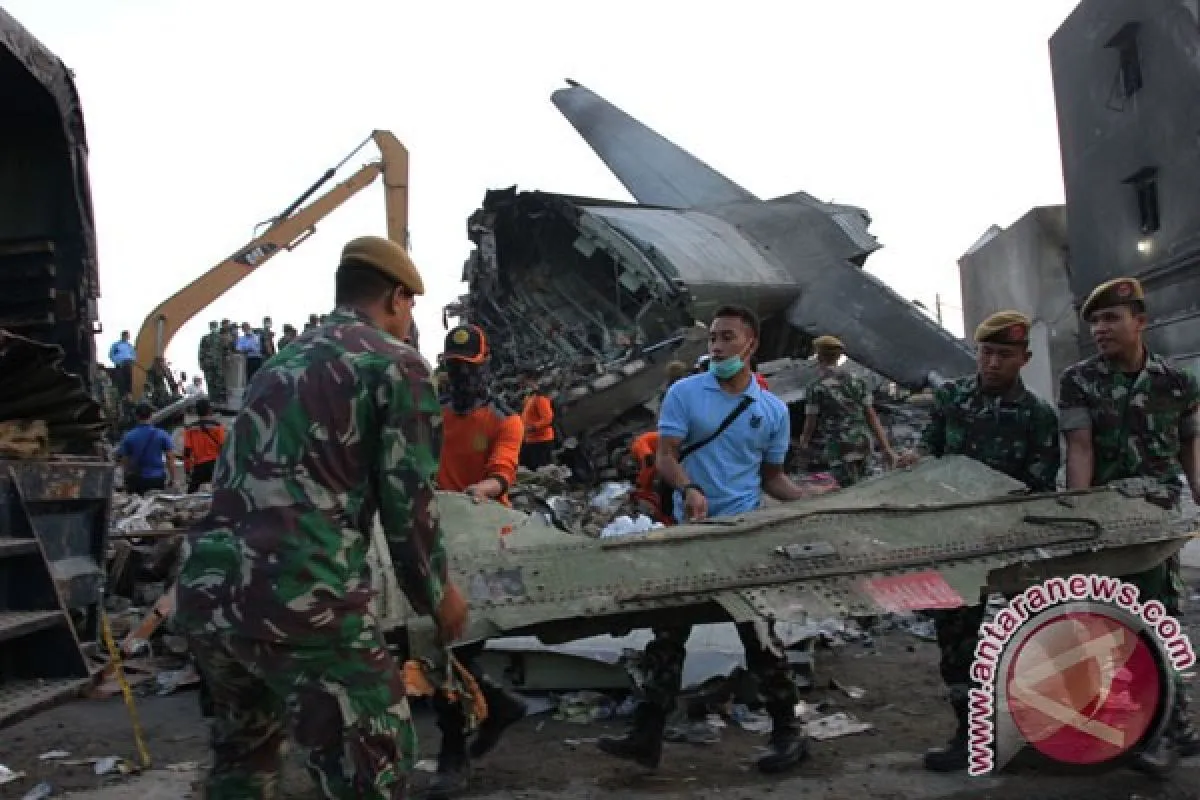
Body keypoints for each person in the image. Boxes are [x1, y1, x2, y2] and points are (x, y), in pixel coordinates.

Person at [173, 235, 469, 799]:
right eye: (411, 307)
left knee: (245, 759)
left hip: (210, 594)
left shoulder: (277, 364)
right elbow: (409, 504)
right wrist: (437, 595)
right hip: (304, 594)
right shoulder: (396, 365)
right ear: (398, 298)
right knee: (373, 764)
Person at [597, 305, 817, 775]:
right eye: (714, 337)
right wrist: (689, 488)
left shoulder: (772, 410)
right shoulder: (685, 393)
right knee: (668, 633)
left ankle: (788, 732)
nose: (716, 346)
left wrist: (809, 501)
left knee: (758, 636)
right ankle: (646, 736)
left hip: (741, 536)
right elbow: (666, 457)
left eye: (727, 337)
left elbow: (772, 477)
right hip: (690, 534)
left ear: (751, 344)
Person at [902, 311, 1060, 772]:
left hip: (1011, 542)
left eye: (1004, 355)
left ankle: (1042, 729)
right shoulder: (952, 399)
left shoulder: (1037, 416)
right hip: (954, 542)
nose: (993, 362)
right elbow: (930, 452)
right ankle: (970, 736)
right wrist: (915, 462)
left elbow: (1039, 484)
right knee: (956, 645)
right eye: (987, 352)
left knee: (1034, 634)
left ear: (1024, 358)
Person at [1058, 277, 1200, 774]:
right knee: (1111, 622)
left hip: (1157, 520)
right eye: (1095, 321)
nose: (1100, 328)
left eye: (1111, 318)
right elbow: (1080, 449)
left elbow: (1189, 444)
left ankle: (1169, 728)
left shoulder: (1177, 382)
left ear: (1140, 321)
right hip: (1107, 520)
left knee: (1156, 617)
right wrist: (1079, 519)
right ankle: (1148, 726)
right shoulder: (1079, 380)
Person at [425, 324, 528, 797]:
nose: (461, 376)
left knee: (451, 646)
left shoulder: (505, 419)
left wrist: (476, 494)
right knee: (445, 647)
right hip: (438, 537)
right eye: (453, 367)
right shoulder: (434, 416)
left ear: (485, 367)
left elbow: (503, 473)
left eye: (468, 367)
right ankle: (498, 708)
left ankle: (455, 753)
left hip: (486, 539)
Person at [797, 335, 897, 486]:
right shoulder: (858, 382)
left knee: (848, 488)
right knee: (867, 486)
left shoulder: (816, 387)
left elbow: (811, 421)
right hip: (863, 443)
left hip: (840, 447)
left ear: (819, 357)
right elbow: (871, 415)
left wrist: (804, 443)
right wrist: (886, 448)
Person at [117, 401, 177, 494]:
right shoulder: (162, 434)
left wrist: (126, 479)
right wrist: (173, 479)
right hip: (156, 479)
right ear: (151, 415)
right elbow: (170, 458)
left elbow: (125, 461)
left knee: (136, 503)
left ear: (136, 416)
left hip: (136, 480)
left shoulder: (128, 436)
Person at [182, 398, 225, 493]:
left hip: (199, 466)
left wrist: (187, 469)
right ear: (209, 410)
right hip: (214, 465)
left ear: (196, 411)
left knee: (190, 494)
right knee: (220, 493)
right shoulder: (218, 427)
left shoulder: (190, 429)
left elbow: (187, 451)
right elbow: (223, 448)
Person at [519, 372, 555, 470]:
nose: (522, 385)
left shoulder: (540, 398)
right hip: (531, 440)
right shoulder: (529, 399)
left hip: (542, 441)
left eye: (524, 382)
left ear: (532, 381)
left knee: (543, 470)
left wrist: (532, 427)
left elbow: (548, 418)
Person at [198, 321, 224, 403]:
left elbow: (225, 350)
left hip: (219, 363)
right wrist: (201, 363)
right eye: (212, 326)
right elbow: (201, 352)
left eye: (214, 326)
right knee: (210, 382)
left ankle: (220, 399)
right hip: (208, 363)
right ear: (210, 327)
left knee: (219, 382)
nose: (213, 327)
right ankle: (212, 400)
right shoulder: (205, 338)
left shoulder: (221, 338)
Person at [109, 330, 135, 398]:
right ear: (122, 336)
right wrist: (117, 362)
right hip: (120, 364)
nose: (127, 337)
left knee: (129, 379)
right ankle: (122, 395)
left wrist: (132, 360)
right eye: (126, 336)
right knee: (120, 380)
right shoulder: (116, 345)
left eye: (128, 336)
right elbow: (111, 355)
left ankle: (129, 394)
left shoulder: (130, 346)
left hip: (128, 363)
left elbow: (133, 355)